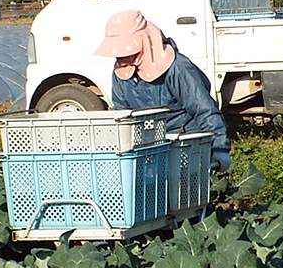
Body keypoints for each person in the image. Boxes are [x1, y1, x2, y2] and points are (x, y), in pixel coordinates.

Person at [94, 10, 231, 171]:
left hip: (185, 144)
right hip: (148, 148)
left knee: (182, 192)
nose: (121, 57)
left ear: (143, 43)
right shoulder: (120, 72)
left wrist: (219, 148)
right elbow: (122, 115)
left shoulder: (177, 68)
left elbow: (204, 109)